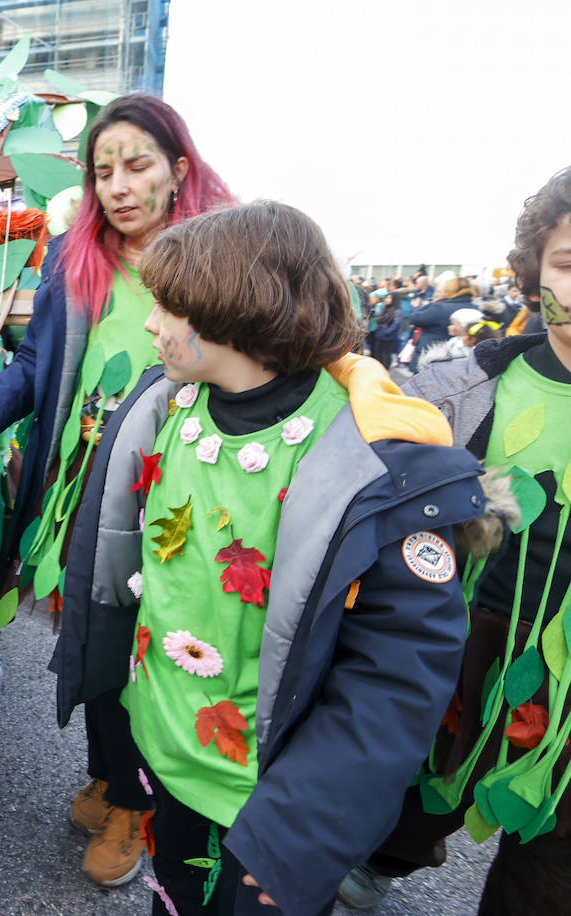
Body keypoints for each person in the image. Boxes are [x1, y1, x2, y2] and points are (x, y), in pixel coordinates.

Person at [52, 201, 484, 914]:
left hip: (268, 811)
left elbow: (395, 677)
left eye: (167, 305)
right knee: (178, 896)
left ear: (233, 307)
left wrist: (299, 835)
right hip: (167, 766)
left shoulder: (368, 463)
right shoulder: (171, 407)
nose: (150, 323)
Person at [0, 93, 234, 886]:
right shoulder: (74, 261)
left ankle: (134, 802)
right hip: (83, 483)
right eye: (103, 170)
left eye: (138, 165)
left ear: (179, 169)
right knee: (90, 634)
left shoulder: (220, 262)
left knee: (145, 648)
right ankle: (112, 773)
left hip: (174, 495)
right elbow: (34, 367)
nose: (118, 186)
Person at [338, 166, 571, 915]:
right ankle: (379, 858)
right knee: (424, 779)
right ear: (534, 271)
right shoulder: (469, 383)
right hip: (470, 633)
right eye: (569, 264)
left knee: (551, 852)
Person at [410, 276, 478, 366]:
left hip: (434, 355)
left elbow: (415, 318)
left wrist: (430, 304)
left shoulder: (440, 308)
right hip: (463, 357)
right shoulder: (476, 308)